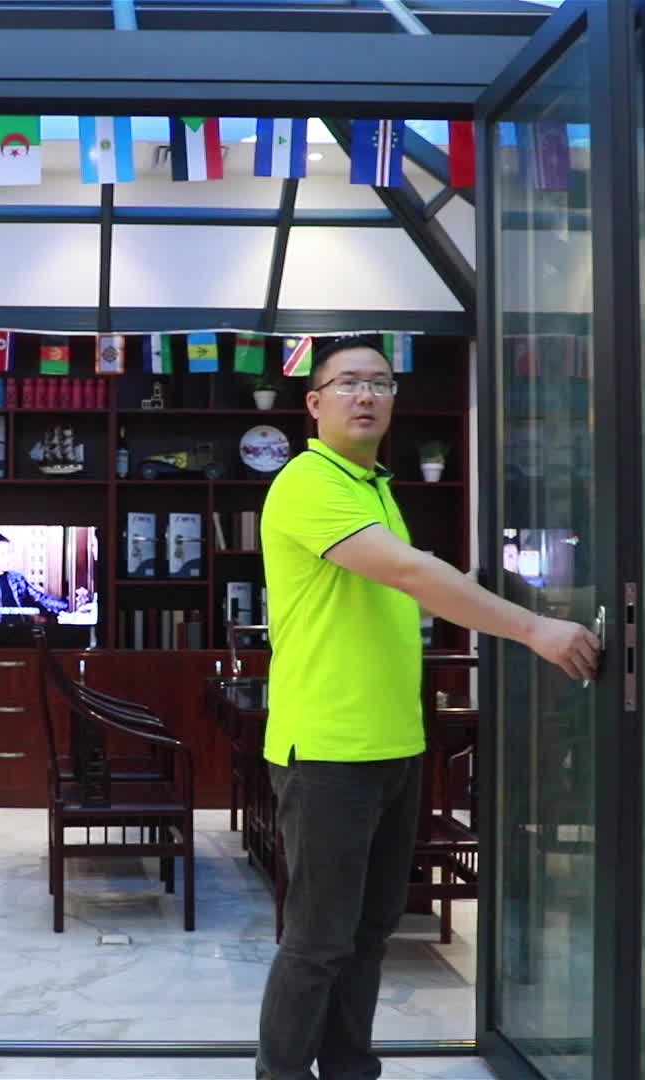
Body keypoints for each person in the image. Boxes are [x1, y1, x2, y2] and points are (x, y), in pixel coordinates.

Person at [256, 336, 602, 1080]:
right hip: (328, 750)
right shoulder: (307, 481)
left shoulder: (373, 486)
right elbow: (413, 574)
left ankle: (349, 1070)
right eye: (348, 383)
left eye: (381, 383)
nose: (366, 395)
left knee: (371, 931)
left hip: (394, 746)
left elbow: (413, 583)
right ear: (314, 403)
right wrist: (534, 629)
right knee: (318, 940)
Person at [0, 534, 92, 622]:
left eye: (10, 553)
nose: (8, 558)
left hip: (19, 634)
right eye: (3, 554)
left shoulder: (17, 578)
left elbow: (40, 599)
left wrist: (70, 606)